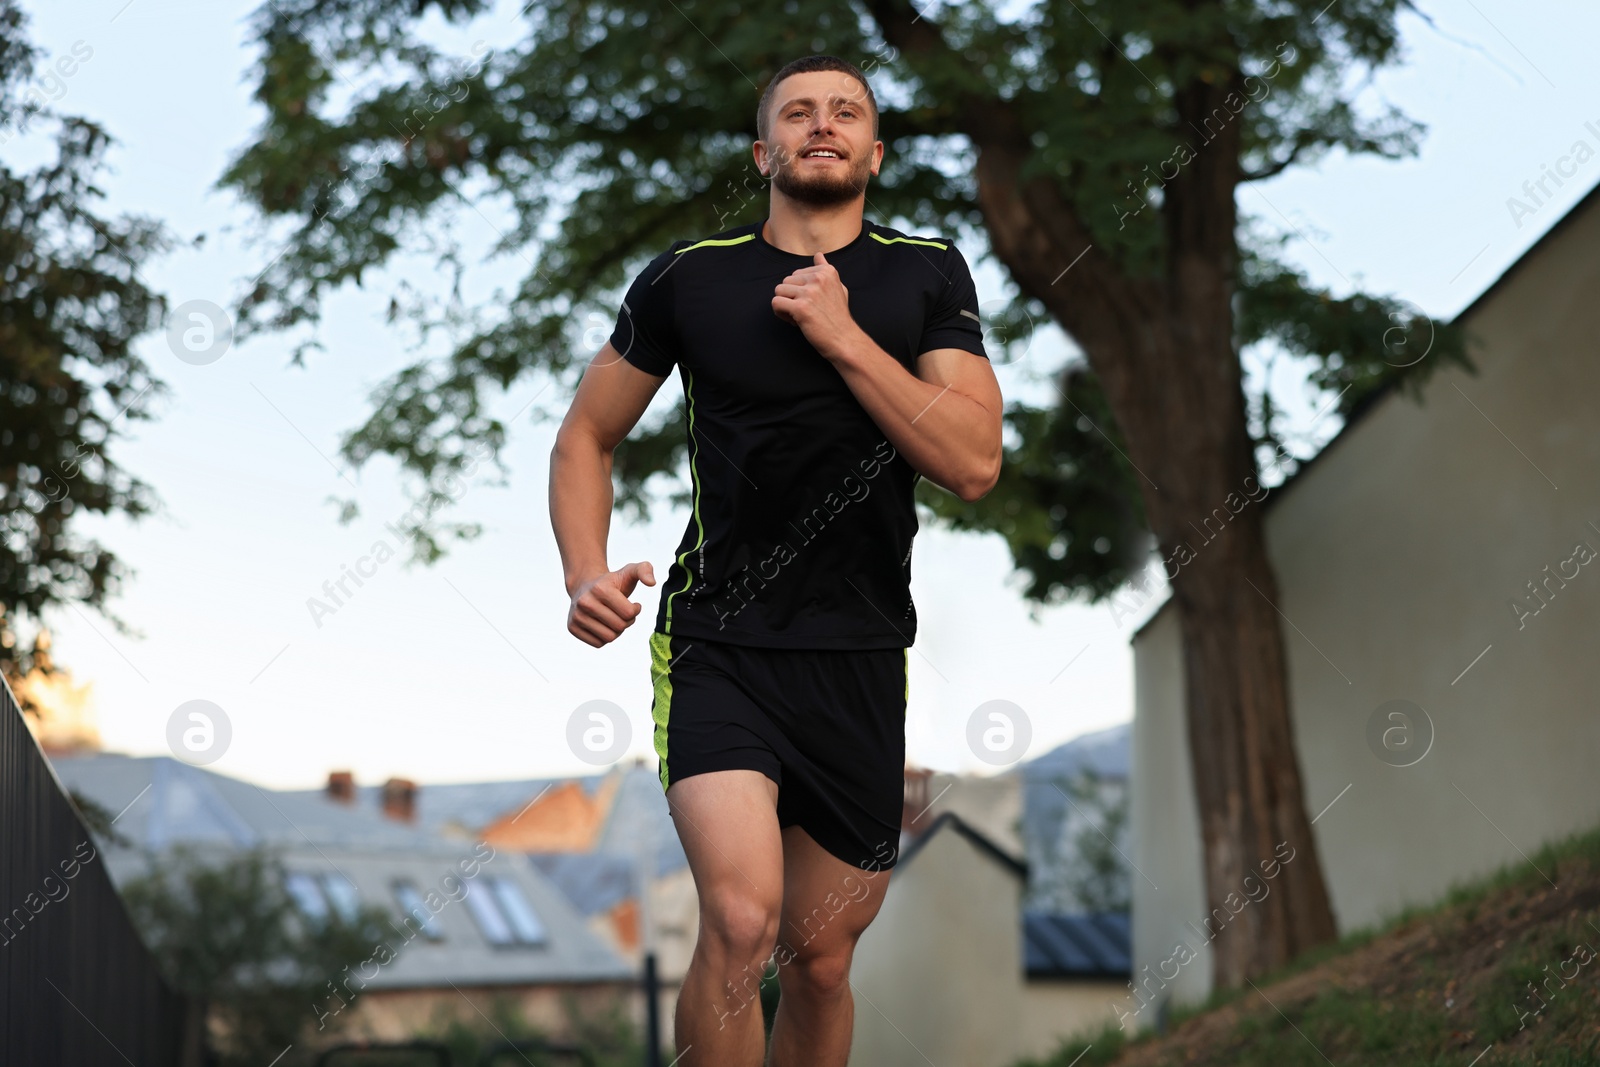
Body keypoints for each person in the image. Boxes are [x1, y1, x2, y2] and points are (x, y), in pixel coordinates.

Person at [549, 53, 1002, 1067]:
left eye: (846, 111)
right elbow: (585, 436)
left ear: (875, 153)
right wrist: (584, 568)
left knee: (822, 957)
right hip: (718, 636)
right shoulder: (687, 278)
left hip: (857, 648)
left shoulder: (925, 270)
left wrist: (842, 336)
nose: (822, 123)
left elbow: (971, 460)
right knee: (744, 920)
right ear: (765, 150)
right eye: (798, 112)